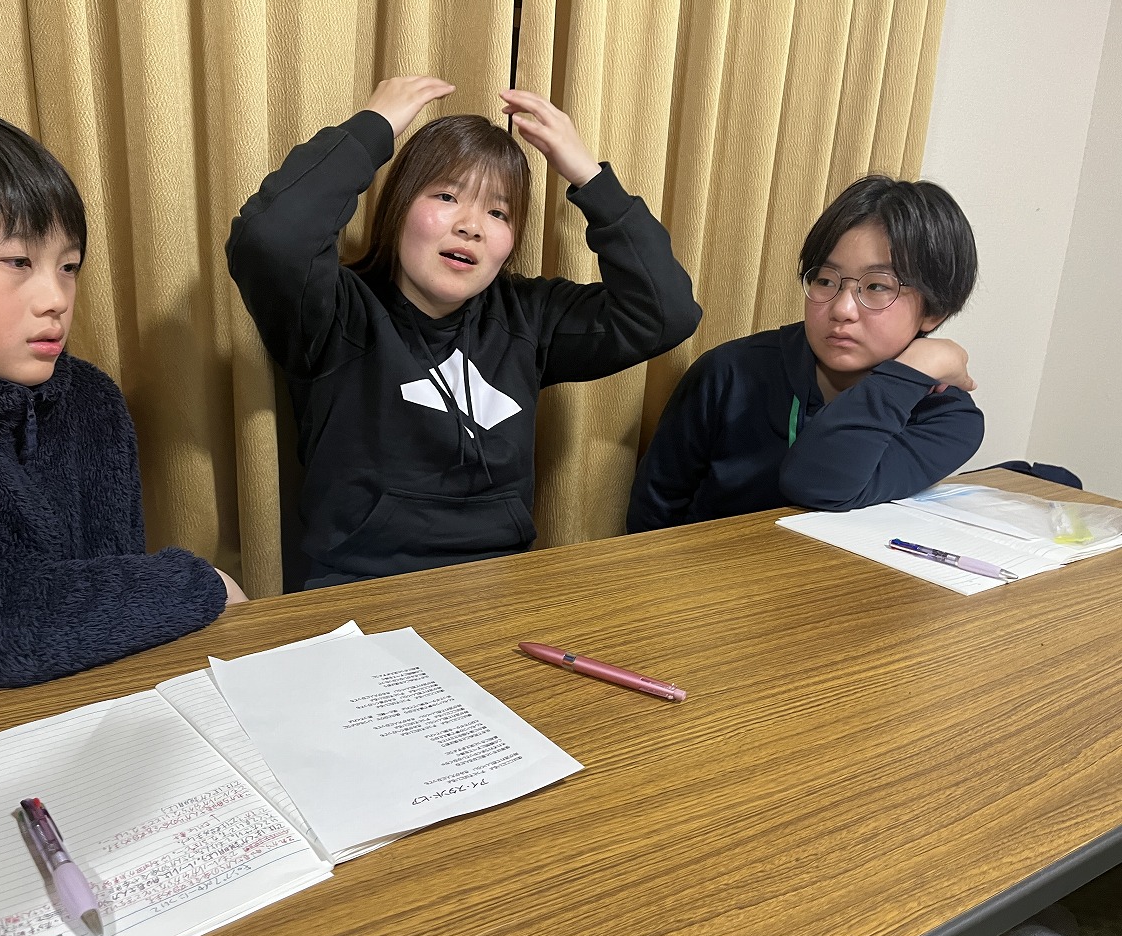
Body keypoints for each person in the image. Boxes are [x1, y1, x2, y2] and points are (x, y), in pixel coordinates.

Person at [227, 76, 700, 588]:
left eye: (498, 212)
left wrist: (589, 178)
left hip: (503, 583)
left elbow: (666, 313)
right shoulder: (335, 312)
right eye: (447, 196)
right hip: (362, 587)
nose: (471, 225)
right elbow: (272, 238)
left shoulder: (527, 317)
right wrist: (372, 129)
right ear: (399, 206)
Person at [0, 98, 247, 688]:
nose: (55, 298)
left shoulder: (89, 400)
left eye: (68, 266)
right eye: (17, 261)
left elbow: (110, 588)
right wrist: (198, 584)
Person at [627, 174, 982, 532]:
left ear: (934, 311)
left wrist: (911, 371)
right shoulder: (730, 372)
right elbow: (653, 513)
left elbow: (819, 485)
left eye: (876, 286)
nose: (842, 309)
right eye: (826, 280)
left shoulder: (947, 418)